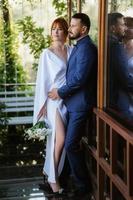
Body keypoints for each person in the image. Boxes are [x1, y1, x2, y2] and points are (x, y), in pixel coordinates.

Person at [48, 13, 98, 198]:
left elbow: (79, 79)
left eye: (73, 26)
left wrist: (60, 92)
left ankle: (82, 185)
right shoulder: (78, 47)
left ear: (83, 29)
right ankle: (61, 177)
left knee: (69, 145)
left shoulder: (87, 49)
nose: (70, 29)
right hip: (71, 103)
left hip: (80, 104)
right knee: (66, 142)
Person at [33, 17, 72, 197]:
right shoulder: (46, 54)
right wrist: (41, 106)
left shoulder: (72, 51)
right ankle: (52, 178)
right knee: (60, 139)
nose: (55, 32)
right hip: (53, 101)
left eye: (60, 29)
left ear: (66, 32)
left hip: (69, 100)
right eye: (53, 29)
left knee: (60, 143)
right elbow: (42, 81)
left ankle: (50, 172)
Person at [107, 12, 133, 121]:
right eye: (122, 25)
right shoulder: (115, 46)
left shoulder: (107, 42)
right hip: (118, 97)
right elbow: (125, 79)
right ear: (113, 28)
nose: (125, 28)